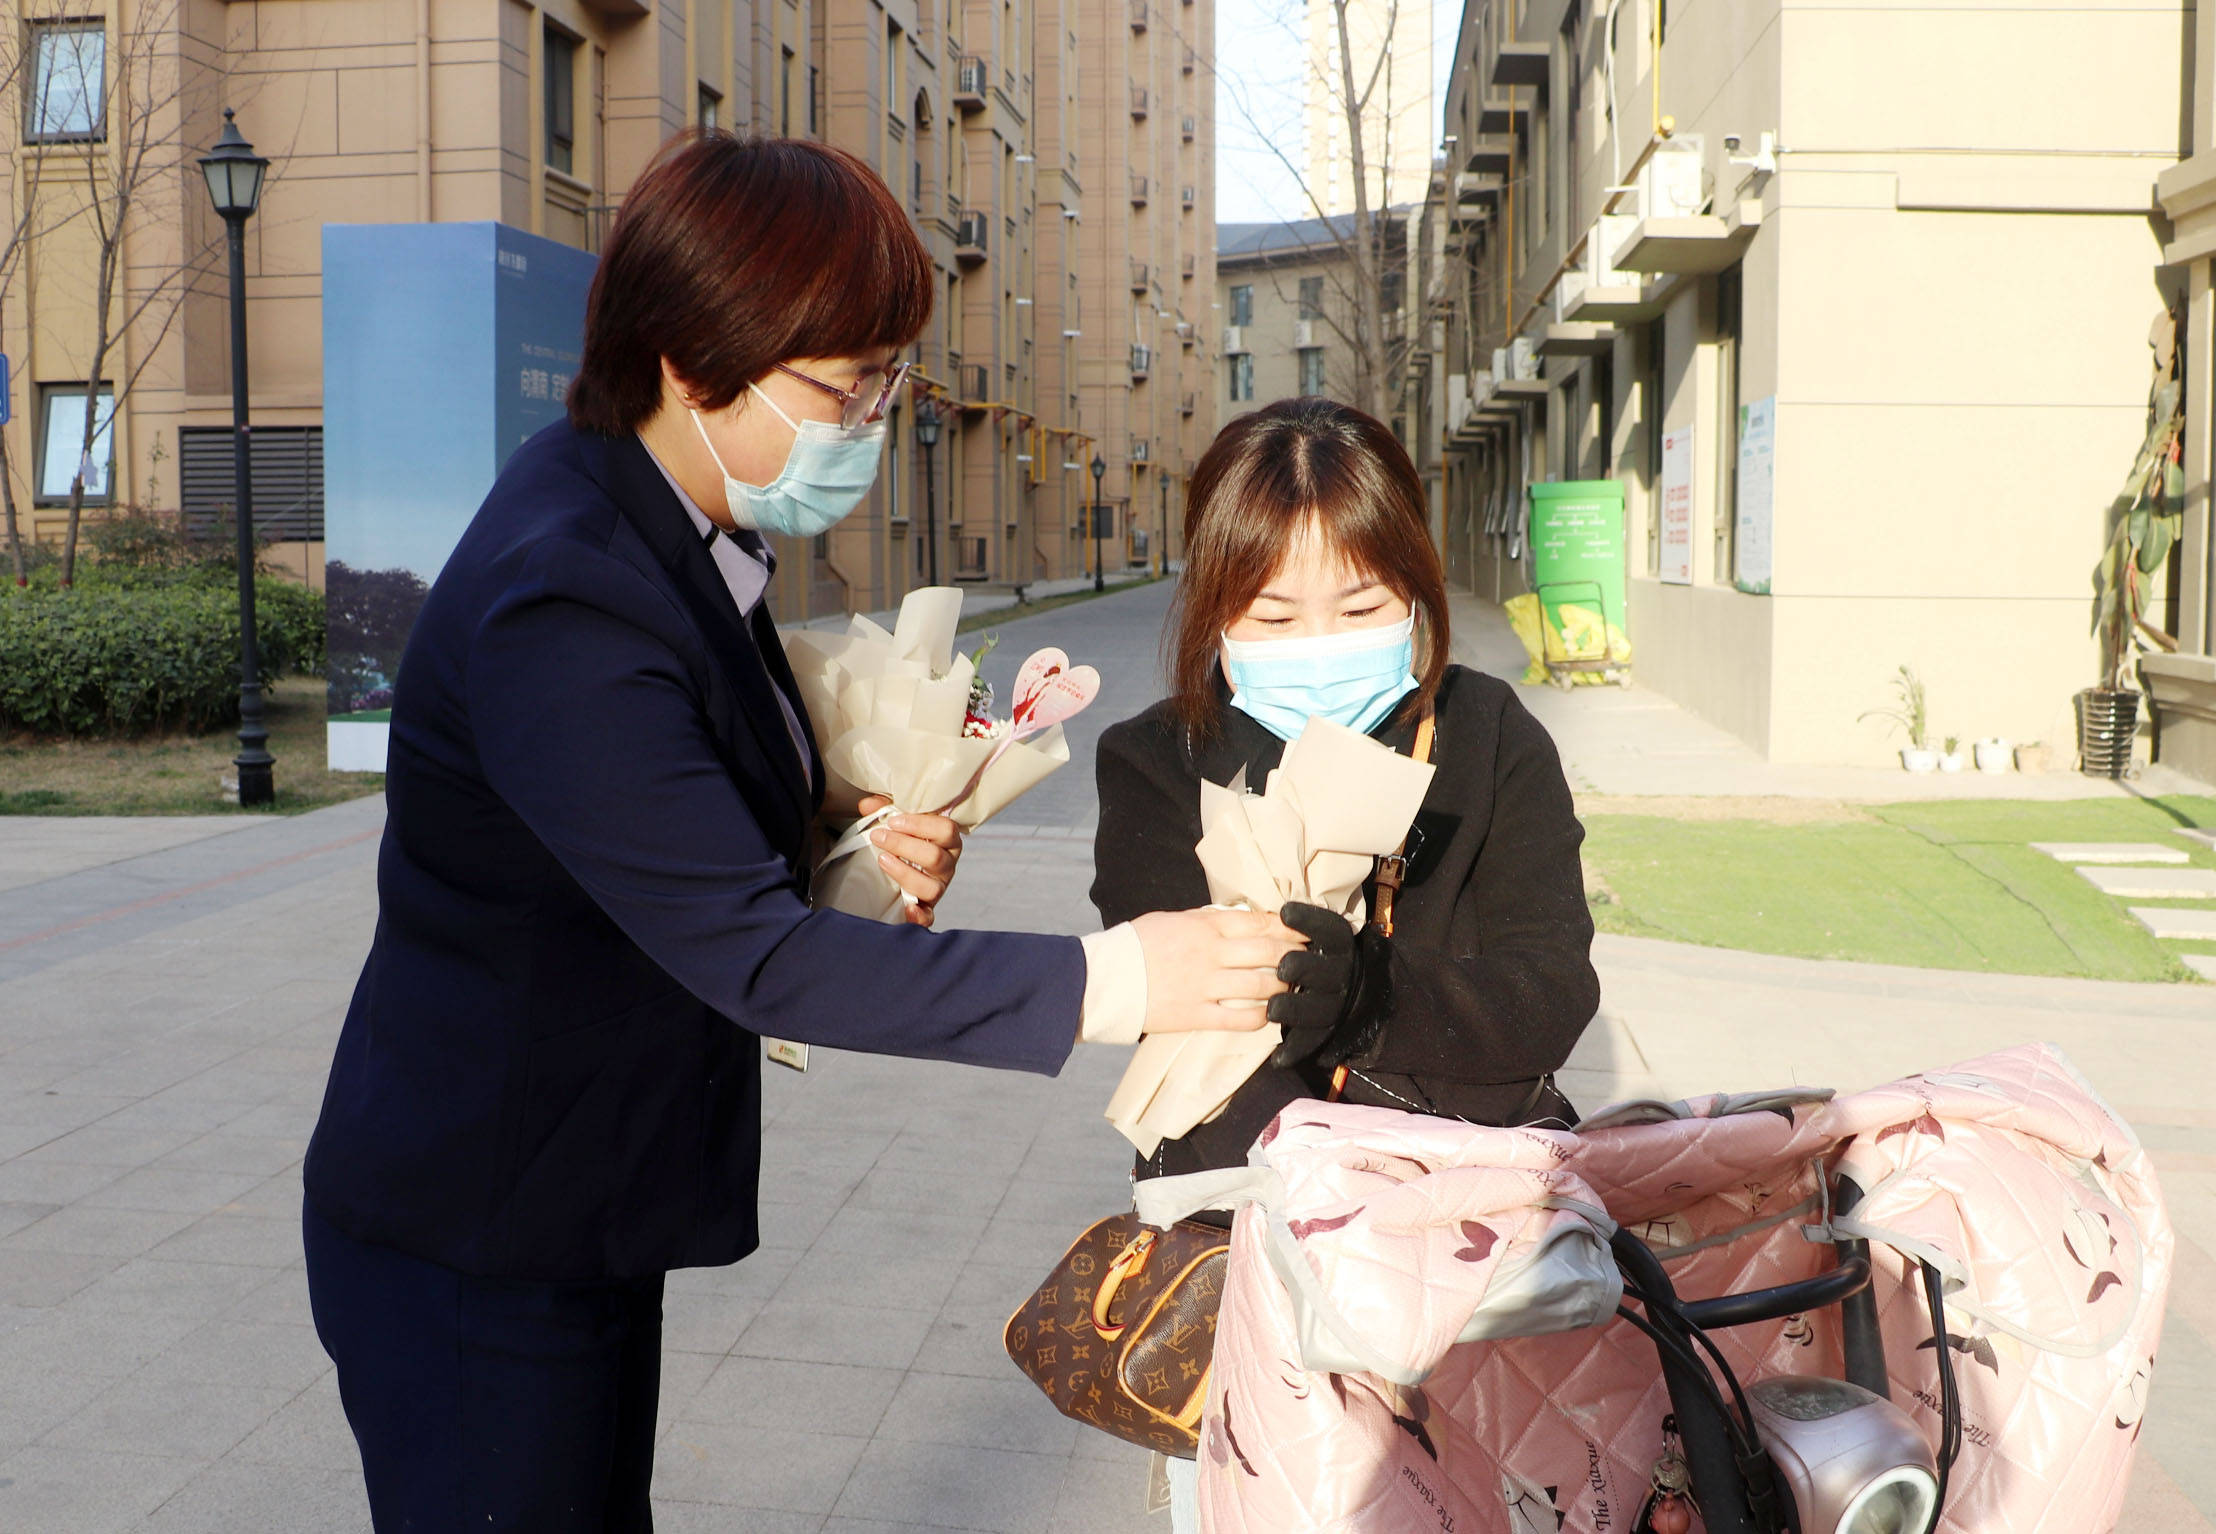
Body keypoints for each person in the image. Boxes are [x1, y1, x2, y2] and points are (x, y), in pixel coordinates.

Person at [299, 131, 1304, 1534]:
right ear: (684, 356)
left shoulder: (666, 516)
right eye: (841, 386)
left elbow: (680, 789)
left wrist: (844, 822)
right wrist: (1120, 979)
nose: (871, 418)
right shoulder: (565, 596)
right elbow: (753, 958)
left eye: (886, 376)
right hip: (475, 1235)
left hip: (569, 1197)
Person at [1092, 395, 1600, 1521]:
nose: (1318, 645)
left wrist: (1372, 996)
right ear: (1215, 614)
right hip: (1246, 1269)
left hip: (1475, 1267)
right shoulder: (1154, 764)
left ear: (1415, 589)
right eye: (1272, 615)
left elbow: (1550, 989)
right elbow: (1189, 1021)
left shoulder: (1490, 736)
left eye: (1359, 603)